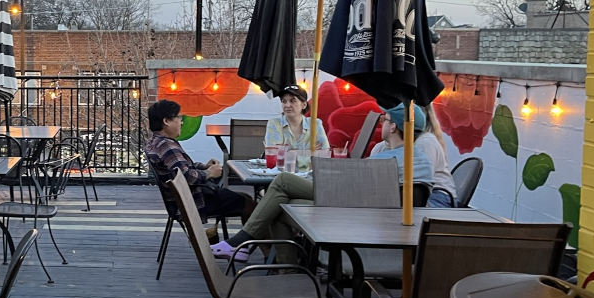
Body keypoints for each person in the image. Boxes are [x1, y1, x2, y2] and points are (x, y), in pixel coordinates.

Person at [212, 102, 434, 263]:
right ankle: (284, 267)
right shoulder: (416, 158)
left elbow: (347, 182)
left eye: (384, 120)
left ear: (393, 126)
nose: (382, 124)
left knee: (281, 182)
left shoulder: (387, 159)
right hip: (372, 216)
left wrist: (325, 172)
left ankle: (243, 244)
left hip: (351, 213)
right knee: (279, 204)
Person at [144, 99, 254, 227]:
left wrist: (204, 166)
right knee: (250, 204)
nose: (182, 122)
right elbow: (187, 177)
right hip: (194, 201)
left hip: (182, 201)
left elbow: (180, 168)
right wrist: (209, 173)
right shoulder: (167, 147)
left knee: (244, 198)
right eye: (179, 117)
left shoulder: (156, 143)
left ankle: (236, 245)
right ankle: (252, 246)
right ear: (166, 121)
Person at [264, 84, 329, 153]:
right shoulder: (275, 123)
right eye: (284, 101)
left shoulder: (315, 123)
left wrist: (287, 152)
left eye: (293, 101)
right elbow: (273, 154)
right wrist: (309, 151)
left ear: (304, 105)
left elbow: (325, 153)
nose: (287, 105)